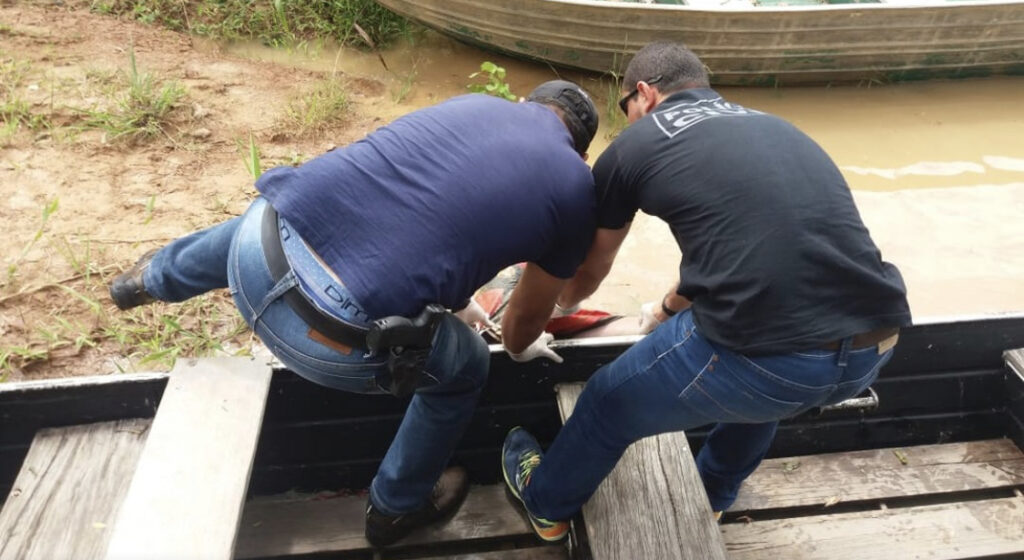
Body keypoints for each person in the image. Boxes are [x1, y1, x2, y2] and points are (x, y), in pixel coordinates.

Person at [108, 80, 599, 547]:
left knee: (284, 217)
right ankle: (395, 509)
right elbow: (521, 327)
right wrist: (520, 346)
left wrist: (461, 303)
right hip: (325, 335)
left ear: (523, 103)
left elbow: (417, 211)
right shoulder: (575, 183)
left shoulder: (475, 104)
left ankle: (147, 279)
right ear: (579, 155)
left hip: (251, 254)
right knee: (468, 366)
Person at [500, 42, 912, 542]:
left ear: (645, 94)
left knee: (607, 401)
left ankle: (546, 504)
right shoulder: (775, 126)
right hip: (874, 348)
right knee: (767, 387)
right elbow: (751, 252)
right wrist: (664, 309)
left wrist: (552, 310)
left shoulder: (634, 145)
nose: (629, 120)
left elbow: (589, 272)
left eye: (627, 107)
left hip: (772, 363)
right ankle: (714, 494)